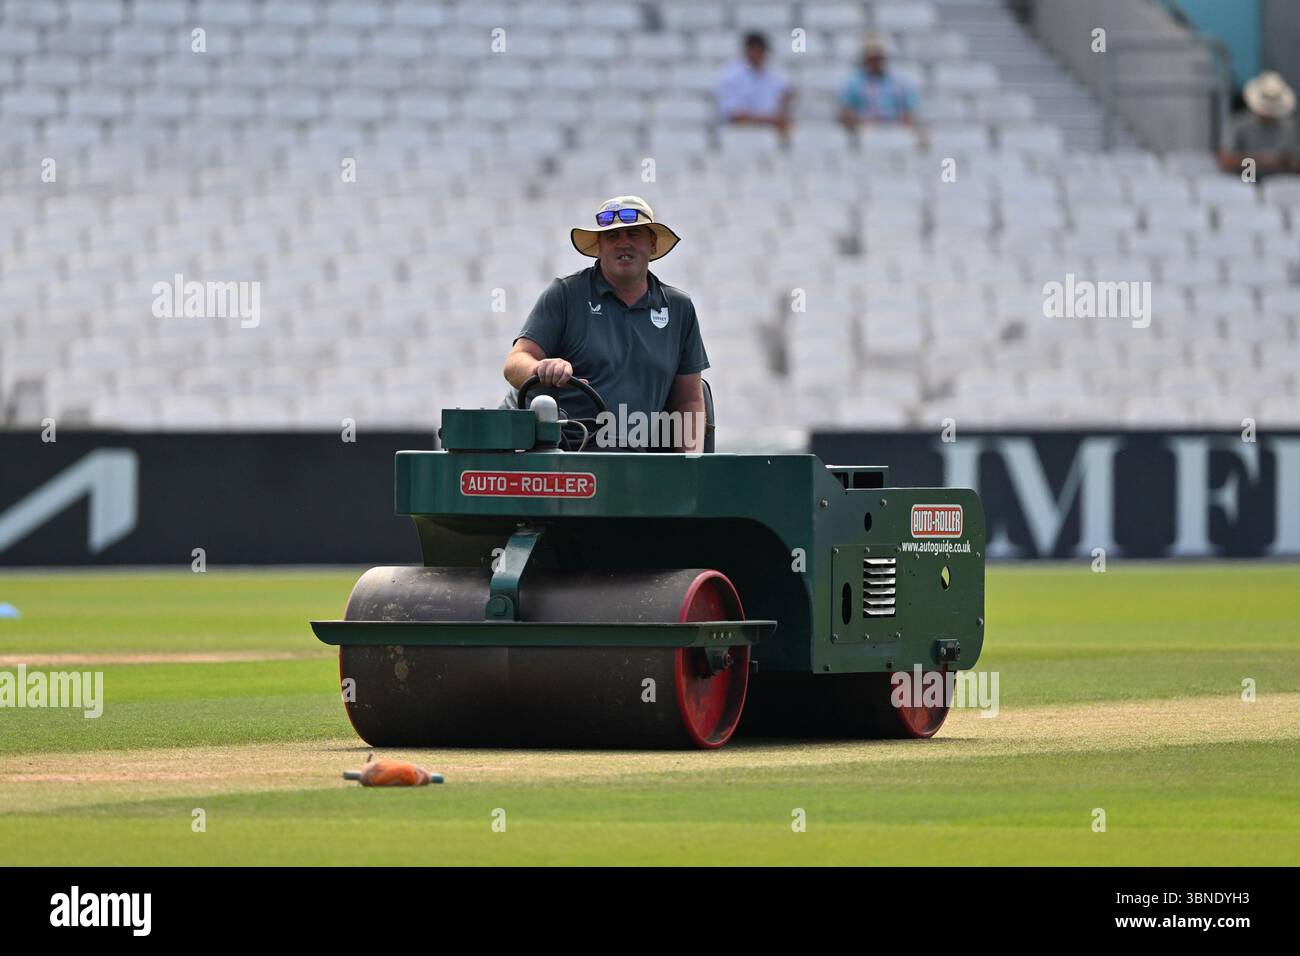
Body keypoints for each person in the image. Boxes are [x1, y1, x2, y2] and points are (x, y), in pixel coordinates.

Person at [502, 196, 709, 452]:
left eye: (634, 234)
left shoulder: (679, 308)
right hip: (560, 455)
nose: (623, 243)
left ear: (652, 244)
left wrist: (690, 467)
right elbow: (515, 364)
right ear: (599, 246)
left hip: (632, 462)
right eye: (612, 236)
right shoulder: (566, 293)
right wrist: (541, 369)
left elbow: (688, 399)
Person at [1218, 71, 1299, 178]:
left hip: (1282, 183)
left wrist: (1282, 160)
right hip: (1245, 182)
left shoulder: (1290, 127)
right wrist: (1257, 160)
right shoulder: (1239, 124)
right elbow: (1225, 161)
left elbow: (1296, 163)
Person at [715, 32, 793, 141]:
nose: (757, 55)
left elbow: (783, 105)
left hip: (770, 133)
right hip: (739, 134)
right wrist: (768, 120)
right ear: (747, 51)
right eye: (754, 51)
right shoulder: (731, 76)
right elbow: (733, 115)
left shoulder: (776, 76)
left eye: (760, 52)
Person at [838, 37, 918, 130]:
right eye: (871, 59)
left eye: (878, 59)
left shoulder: (899, 82)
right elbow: (846, 110)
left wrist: (900, 125)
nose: (875, 63)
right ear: (865, 60)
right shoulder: (853, 83)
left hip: (893, 128)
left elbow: (909, 111)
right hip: (864, 128)